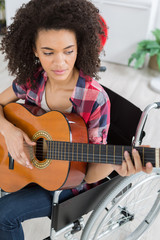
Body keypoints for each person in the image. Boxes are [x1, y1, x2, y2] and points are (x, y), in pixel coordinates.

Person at [0, 0, 153, 239]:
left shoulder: (95, 99)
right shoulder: (32, 79)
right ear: (34, 49)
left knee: (3, 215)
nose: (59, 63)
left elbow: (89, 176)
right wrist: (9, 132)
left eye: (68, 51)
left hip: (68, 185)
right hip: (24, 167)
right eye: (48, 52)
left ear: (80, 47)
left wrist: (116, 164)